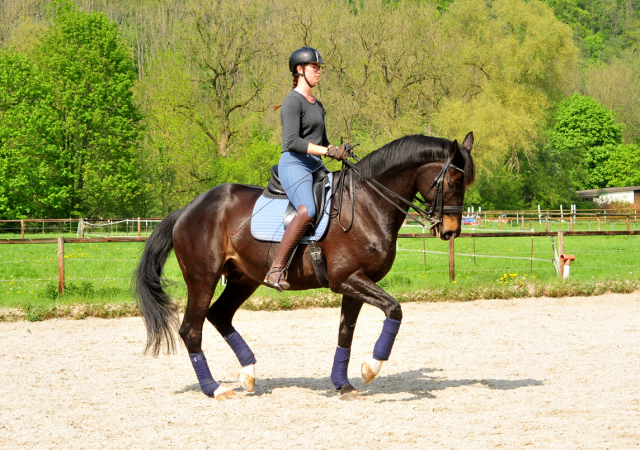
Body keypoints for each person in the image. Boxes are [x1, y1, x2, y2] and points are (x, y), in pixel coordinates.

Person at [264, 47, 349, 291]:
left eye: (320, 68)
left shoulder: (317, 104)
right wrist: (327, 151)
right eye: (315, 67)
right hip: (294, 164)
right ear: (300, 70)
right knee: (307, 209)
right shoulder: (292, 101)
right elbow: (292, 142)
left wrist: (339, 149)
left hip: (315, 165)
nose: (319, 72)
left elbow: (321, 143)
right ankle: (275, 270)